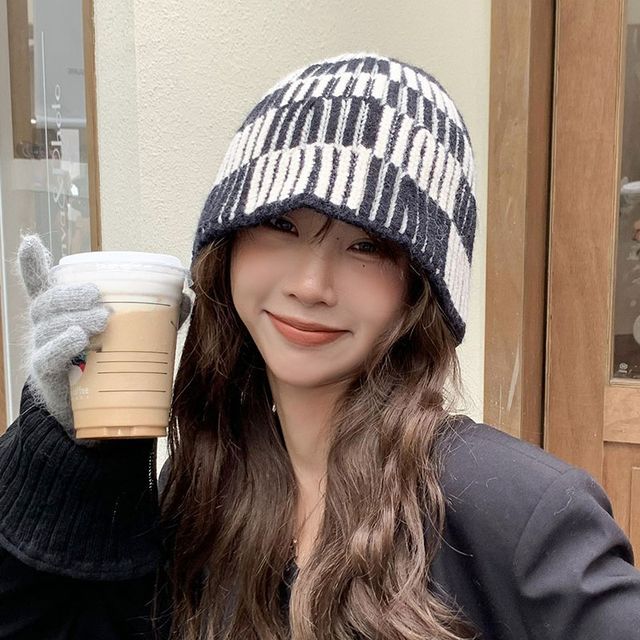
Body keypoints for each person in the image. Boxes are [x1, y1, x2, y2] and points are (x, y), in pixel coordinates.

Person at [1, 52, 639, 640]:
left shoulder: (516, 512)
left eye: (366, 246)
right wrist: (64, 451)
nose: (310, 285)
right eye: (281, 224)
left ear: (421, 289)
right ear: (227, 249)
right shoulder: (204, 489)